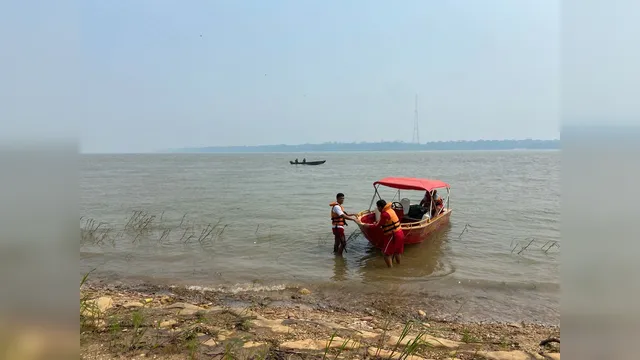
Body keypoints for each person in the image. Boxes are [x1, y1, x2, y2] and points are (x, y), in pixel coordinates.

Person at [358, 199, 405, 268]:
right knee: (397, 252)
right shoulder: (391, 210)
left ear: (380, 207)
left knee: (385, 253)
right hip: (400, 232)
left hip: (393, 235)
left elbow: (377, 226)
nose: (377, 209)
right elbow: (386, 222)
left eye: (377, 207)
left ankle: (390, 269)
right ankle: (398, 266)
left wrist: (366, 225)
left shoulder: (385, 214)